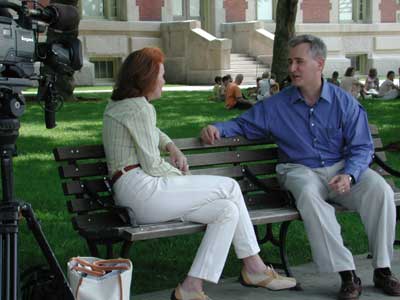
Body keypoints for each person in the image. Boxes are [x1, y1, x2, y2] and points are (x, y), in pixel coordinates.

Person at [200, 35, 400, 300]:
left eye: (299, 62)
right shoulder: (277, 105)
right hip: (299, 169)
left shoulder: (344, 102)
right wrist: (217, 128)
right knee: (308, 193)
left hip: (341, 168)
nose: (292, 68)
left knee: (380, 190)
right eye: (290, 62)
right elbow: (242, 124)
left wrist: (350, 174)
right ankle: (346, 273)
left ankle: (383, 269)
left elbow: (363, 147)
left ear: (319, 64)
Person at [102, 48, 296, 300]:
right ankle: (255, 268)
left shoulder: (121, 104)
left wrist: (171, 146)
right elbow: (152, 165)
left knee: (227, 210)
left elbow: (151, 131)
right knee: (229, 187)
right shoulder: (139, 108)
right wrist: (182, 177)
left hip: (130, 193)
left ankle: (191, 287)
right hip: (142, 191)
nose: (164, 80)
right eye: (161, 75)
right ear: (145, 77)